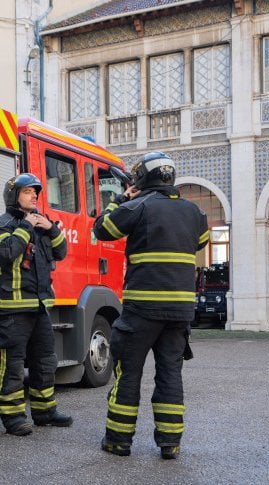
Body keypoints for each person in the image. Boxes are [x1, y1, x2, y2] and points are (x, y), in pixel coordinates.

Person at [93, 152, 209, 459]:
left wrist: (120, 199)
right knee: (170, 373)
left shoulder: (138, 206)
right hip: (180, 313)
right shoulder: (195, 213)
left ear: (142, 180)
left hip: (142, 311)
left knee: (128, 373)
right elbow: (201, 242)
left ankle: (118, 440)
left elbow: (102, 228)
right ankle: (170, 443)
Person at [0, 173, 73, 436]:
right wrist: (25, 227)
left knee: (46, 361)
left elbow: (61, 252)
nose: (34, 195)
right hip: (13, 309)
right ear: (14, 195)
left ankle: (45, 411)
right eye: (27, 192)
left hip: (39, 307)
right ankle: (13, 418)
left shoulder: (41, 225)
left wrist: (51, 228)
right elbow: (6, 253)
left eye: (36, 192)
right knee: (13, 365)